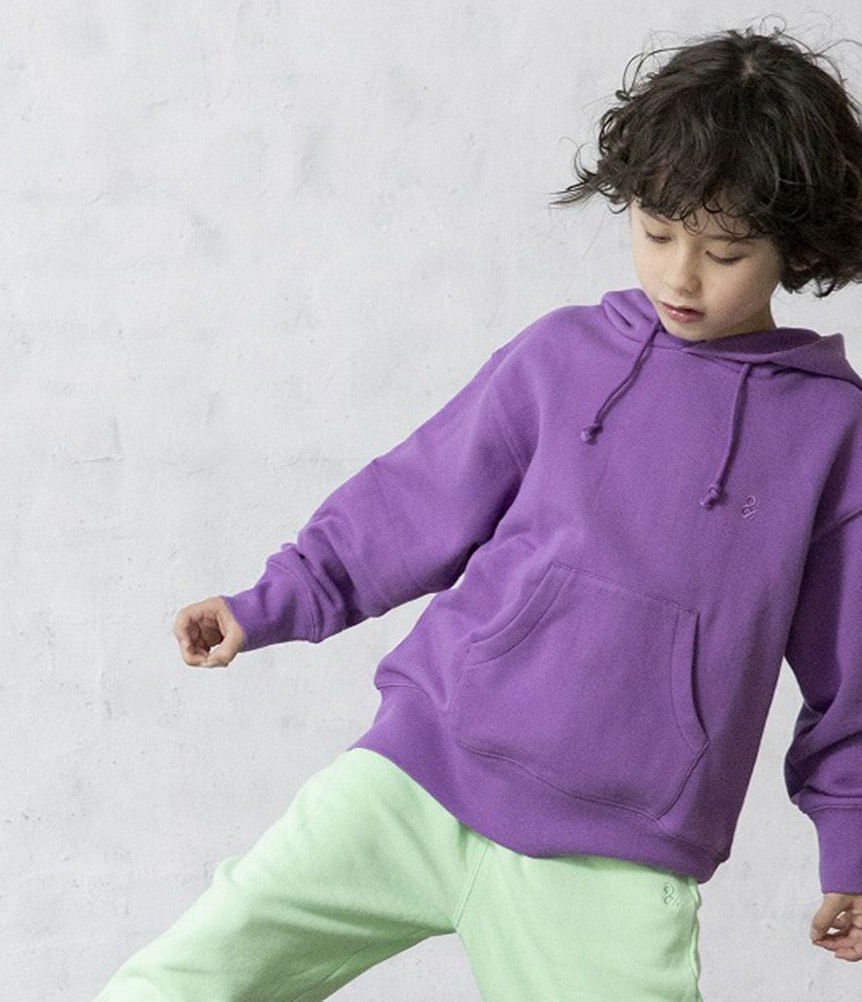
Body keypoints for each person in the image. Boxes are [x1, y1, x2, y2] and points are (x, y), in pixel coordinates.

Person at [95, 24, 862, 1000]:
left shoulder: (830, 433)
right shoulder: (562, 358)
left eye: (725, 252)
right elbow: (415, 498)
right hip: (419, 776)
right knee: (180, 984)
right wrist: (272, 602)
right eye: (656, 232)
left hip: (616, 855)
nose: (680, 276)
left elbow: (852, 665)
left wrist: (853, 844)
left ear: (796, 244)